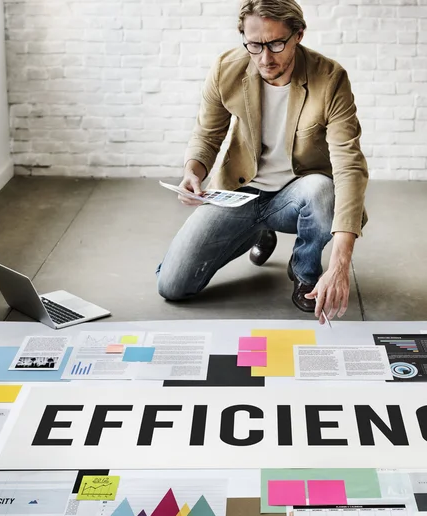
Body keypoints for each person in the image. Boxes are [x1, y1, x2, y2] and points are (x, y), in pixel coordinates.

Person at [157, 0, 368, 323]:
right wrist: (193, 172)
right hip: (239, 192)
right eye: (254, 45)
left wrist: (340, 265)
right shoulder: (227, 69)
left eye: (276, 43)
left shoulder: (330, 78)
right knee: (172, 285)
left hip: (298, 194)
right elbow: (207, 135)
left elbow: (349, 165)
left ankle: (304, 272)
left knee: (323, 191)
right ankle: (257, 232)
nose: (265, 58)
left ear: (299, 35)